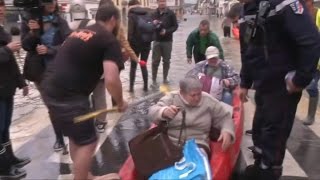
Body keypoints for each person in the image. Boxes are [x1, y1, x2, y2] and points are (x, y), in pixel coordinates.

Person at [41, 5, 128, 179]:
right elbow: (111, 80)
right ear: (113, 20)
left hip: (49, 89)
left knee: (77, 137)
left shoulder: (83, 31)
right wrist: (120, 102)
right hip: (69, 97)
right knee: (88, 142)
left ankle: (84, 175)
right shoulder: (108, 40)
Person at [237, 0, 320, 178]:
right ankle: (259, 167)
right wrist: (244, 82)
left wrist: (300, 79)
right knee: (259, 129)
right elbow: (247, 50)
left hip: (283, 86)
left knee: (274, 136)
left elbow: (311, 41)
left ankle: (269, 172)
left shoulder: (284, 4)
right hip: (262, 84)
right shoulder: (246, 10)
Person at [68, 0, 140, 133]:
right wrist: (121, 102)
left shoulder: (85, 26)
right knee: (96, 94)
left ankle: (99, 120)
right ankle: (96, 119)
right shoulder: (96, 30)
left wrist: (134, 57)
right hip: (90, 70)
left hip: (91, 69)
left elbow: (124, 44)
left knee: (98, 94)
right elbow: (112, 80)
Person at [21, 0, 71, 151]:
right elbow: (25, 45)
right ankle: (59, 138)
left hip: (58, 68)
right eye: (48, 1)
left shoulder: (60, 21)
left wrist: (51, 50)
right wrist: (32, 33)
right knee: (51, 105)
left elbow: (68, 43)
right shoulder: (29, 20)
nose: (52, 4)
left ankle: (68, 130)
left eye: (53, 1)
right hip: (39, 71)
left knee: (63, 102)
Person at [149, 76, 235, 157]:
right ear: (182, 93)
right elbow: (152, 111)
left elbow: (224, 117)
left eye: (199, 94)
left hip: (198, 143)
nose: (197, 98)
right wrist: (163, 112)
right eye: (193, 95)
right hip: (171, 142)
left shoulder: (209, 101)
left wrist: (227, 130)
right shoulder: (171, 98)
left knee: (196, 161)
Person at [0, 0, 30, 178]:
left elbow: (11, 62)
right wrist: (6, 49)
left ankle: (10, 159)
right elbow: (5, 54)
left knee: (5, 127)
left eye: (2, 11)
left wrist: (22, 82)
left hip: (7, 88)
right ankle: (3, 170)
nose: (1, 13)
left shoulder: (3, 30)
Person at [151, 0, 178, 87]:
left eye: (163, 1)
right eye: (160, 1)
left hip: (167, 41)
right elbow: (149, 25)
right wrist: (153, 23)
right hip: (157, 41)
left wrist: (166, 31)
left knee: (166, 61)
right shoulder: (154, 13)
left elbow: (175, 26)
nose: (162, 3)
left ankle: (165, 78)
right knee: (155, 61)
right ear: (157, 3)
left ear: (165, 2)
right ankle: (154, 80)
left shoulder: (171, 13)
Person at [128, 0, 153, 92]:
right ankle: (145, 87)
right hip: (147, 44)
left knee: (133, 67)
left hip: (135, 46)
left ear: (130, 6)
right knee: (143, 65)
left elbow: (130, 33)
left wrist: (128, 46)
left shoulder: (131, 15)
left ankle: (131, 88)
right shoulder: (147, 13)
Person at [303, 0, 320, 125]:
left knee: (312, 87)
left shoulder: (318, 14)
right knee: (311, 87)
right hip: (312, 60)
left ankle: (311, 116)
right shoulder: (301, 15)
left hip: (317, 60)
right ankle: (311, 116)